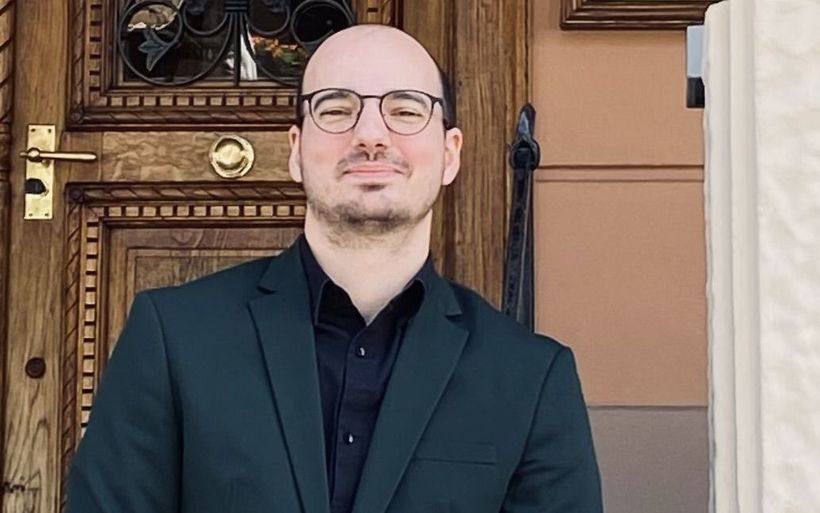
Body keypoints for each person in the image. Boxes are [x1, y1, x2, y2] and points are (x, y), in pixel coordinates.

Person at [66, 24, 602, 513]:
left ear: (450, 153)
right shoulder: (174, 338)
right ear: (296, 149)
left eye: (406, 110)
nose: (371, 134)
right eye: (337, 108)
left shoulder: (531, 378)